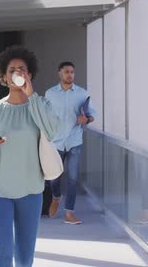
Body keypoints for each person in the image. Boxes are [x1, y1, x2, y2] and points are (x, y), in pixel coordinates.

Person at [0, 45, 59, 267]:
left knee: (24, 257)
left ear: (29, 74)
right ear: (4, 76)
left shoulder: (41, 105)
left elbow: (52, 130)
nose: (17, 73)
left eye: (22, 69)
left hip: (31, 191)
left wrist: (32, 95)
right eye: (12, 70)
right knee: (3, 255)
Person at [45, 61, 96, 225]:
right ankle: (55, 197)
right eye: (66, 72)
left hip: (74, 140)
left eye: (72, 72)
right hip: (56, 141)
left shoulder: (82, 94)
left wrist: (86, 119)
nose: (70, 75)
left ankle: (69, 213)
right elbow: (45, 116)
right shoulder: (50, 94)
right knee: (54, 177)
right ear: (59, 73)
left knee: (73, 178)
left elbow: (91, 115)